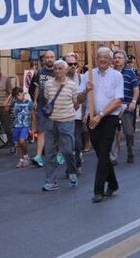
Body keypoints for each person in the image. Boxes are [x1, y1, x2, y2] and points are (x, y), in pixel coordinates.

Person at [78, 47, 123, 203]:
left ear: (110, 60)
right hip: (92, 117)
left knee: (104, 152)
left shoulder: (117, 76)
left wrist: (101, 115)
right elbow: (78, 99)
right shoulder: (87, 75)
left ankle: (98, 190)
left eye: (105, 57)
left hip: (109, 117)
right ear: (95, 59)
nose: (102, 60)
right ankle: (113, 183)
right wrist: (85, 91)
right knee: (100, 154)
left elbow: (118, 101)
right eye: (99, 57)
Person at [42, 60, 79, 192]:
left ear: (65, 70)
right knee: (50, 151)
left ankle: (72, 172)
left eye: (60, 69)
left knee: (68, 151)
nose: (57, 71)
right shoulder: (48, 85)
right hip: (51, 121)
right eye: (55, 69)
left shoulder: (72, 85)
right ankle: (51, 181)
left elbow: (76, 103)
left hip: (67, 121)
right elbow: (47, 100)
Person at [112, 50, 139, 163]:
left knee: (129, 132)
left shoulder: (130, 72)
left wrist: (133, 102)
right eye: (115, 57)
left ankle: (130, 151)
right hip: (113, 106)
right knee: (112, 133)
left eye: (120, 57)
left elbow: (136, 89)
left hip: (126, 106)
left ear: (124, 60)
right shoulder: (110, 72)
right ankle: (112, 157)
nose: (117, 59)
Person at [31, 50, 56, 167]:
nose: (49, 59)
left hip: (55, 106)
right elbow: (37, 88)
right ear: (44, 59)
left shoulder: (58, 71)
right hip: (42, 106)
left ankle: (58, 154)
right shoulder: (40, 72)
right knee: (41, 130)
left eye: (51, 57)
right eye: (47, 57)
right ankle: (39, 156)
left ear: (54, 58)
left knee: (56, 130)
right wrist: (35, 101)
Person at [65, 54, 84, 173]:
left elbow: (86, 97)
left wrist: (87, 112)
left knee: (76, 143)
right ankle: (69, 166)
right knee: (67, 145)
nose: (72, 66)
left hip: (77, 115)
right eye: (69, 64)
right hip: (63, 116)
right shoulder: (60, 78)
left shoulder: (81, 78)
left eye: (74, 64)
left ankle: (77, 162)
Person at [9, 87, 33, 168]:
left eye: (20, 94)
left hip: (25, 125)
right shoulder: (14, 102)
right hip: (16, 125)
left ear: (23, 93)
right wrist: (10, 96)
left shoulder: (29, 103)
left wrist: (33, 127)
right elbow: (5, 107)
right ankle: (21, 159)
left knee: (22, 141)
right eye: (17, 96)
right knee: (18, 144)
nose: (19, 97)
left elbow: (33, 114)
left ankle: (26, 156)